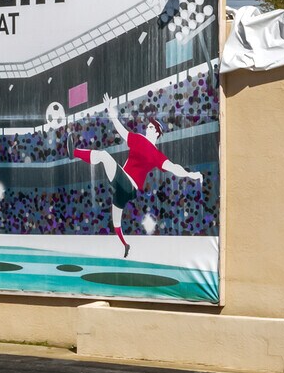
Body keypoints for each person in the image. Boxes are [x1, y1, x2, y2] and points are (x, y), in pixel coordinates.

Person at [74, 93, 203, 257]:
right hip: (125, 189)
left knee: (104, 156)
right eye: (148, 127)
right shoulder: (138, 140)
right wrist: (112, 114)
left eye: (150, 128)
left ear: (157, 133)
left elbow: (174, 167)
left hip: (128, 184)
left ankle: (74, 152)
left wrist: (190, 175)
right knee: (116, 221)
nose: (147, 128)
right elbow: (121, 130)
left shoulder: (156, 154)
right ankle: (125, 244)